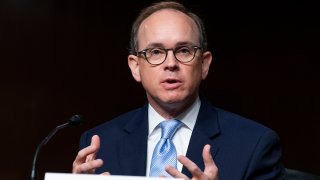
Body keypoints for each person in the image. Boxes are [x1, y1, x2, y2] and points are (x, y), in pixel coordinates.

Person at [72, 1, 285, 179]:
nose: (170, 63)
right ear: (136, 67)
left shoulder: (254, 145)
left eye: (184, 51)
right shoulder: (99, 144)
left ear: (204, 64)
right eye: (155, 52)